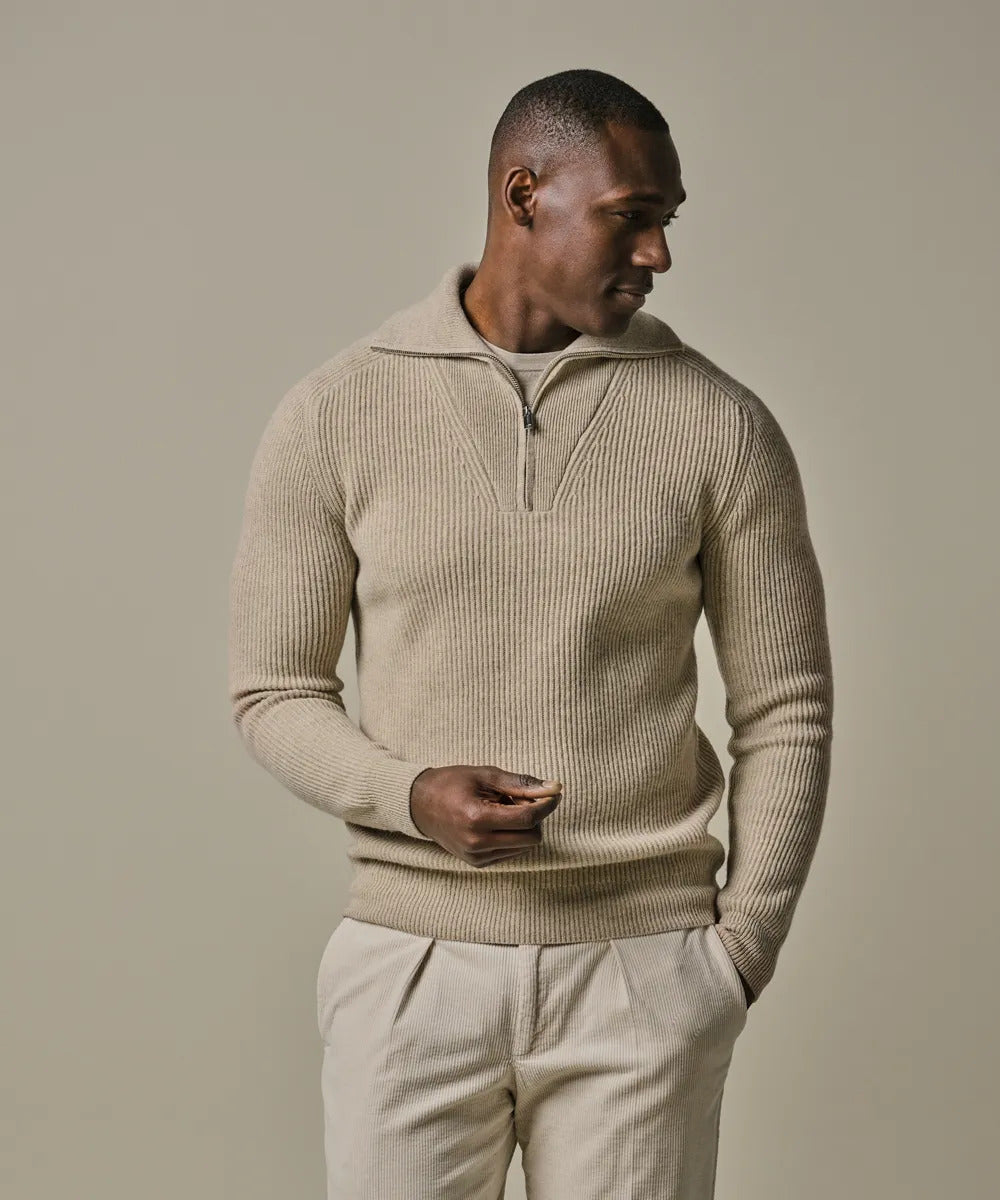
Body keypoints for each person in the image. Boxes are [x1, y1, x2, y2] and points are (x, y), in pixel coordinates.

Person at [227, 67, 834, 1200]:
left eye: (667, 220)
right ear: (523, 195)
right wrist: (408, 794)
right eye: (630, 216)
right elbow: (274, 691)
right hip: (409, 969)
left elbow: (785, 705)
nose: (658, 254)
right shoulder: (336, 412)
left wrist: (739, 953)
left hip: (643, 974)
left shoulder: (721, 425)